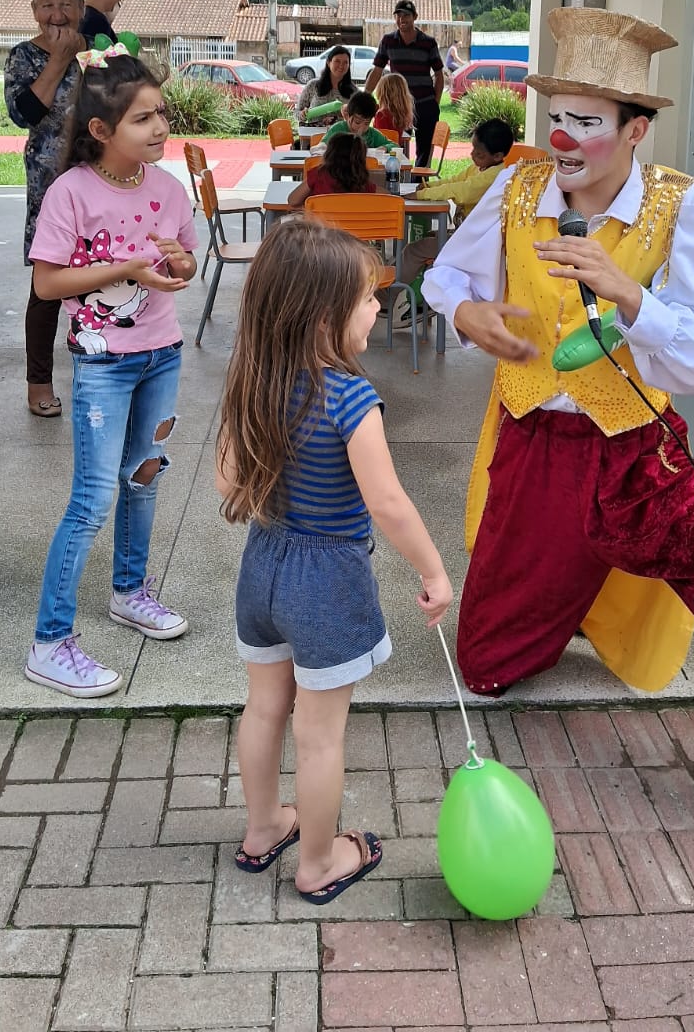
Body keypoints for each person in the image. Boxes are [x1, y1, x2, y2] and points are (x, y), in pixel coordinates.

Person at [422, 7, 694, 742]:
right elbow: (445, 278)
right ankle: (568, 602)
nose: (562, 138)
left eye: (587, 122)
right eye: (557, 116)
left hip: (633, 452)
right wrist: (467, 316)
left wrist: (632, 298)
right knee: (485, 666)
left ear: (634, 130)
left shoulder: (681, 204)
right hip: (535, 448)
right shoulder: (518, 190)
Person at [216, 218, 453, 903]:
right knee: (319, 736)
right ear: (325, 317)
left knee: (264, 710)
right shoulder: (350, 398)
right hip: (327, 581)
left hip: (263, 565)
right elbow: (388, 503)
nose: (378, 307)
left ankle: (263, 829)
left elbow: (228, 486)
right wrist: (435, 572)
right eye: (367, 299)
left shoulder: (252, 382)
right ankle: (319, 863)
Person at [24, 46, 198, 697]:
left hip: (162, 357)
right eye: (143, 119)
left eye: (161, 114)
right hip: (102, 367)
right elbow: (47, 285)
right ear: (101, 131)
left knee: (144, 477)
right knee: (94, 497)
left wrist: (177, 263)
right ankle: (50, 642)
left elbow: (183, 271)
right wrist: (126, 268)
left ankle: (130, 592)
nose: (160, 128)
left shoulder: (169, 188)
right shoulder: (71, 192)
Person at [4, 0, 86, 417]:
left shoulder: (95, 55)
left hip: (97, 180)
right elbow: (25, 113)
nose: (57, 13)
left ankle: (102, 367)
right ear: (35, 11)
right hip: (49, 181)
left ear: (80, 8)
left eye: (66, 4)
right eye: (47, 4)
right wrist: (58, 59)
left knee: (101, 269)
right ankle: (39, 384)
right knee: (48, 281)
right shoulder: (23, 56)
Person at [395, 118, 514, 326]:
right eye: (473, 150)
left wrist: (422, 196)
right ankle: (423, 301)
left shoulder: (494, 177)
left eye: (479, 154)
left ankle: (387, 299)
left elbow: (461, 191)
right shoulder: (482, 168)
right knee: (428, 241)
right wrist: (426, 188)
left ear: (498, 156)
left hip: (474, 249)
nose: (472, 156)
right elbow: (454, 180)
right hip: (466, 239)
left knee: (414, 251)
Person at [365, 1, 444, 170]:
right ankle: (398, 178)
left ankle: (417, 183)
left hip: (425, 103)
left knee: (424, 149)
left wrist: (435, 103)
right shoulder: (387, 41)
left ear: (415, 17)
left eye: (406, 15)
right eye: (398, 15)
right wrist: (365, 95)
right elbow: (377, 70)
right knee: (394, 145)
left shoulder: (428, 42)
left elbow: (439, 74)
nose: (402, 19)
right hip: (397, 105)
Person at [287, 133, 377, 209]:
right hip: (354, 229)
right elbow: (388, 197)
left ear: (329, 153)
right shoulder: (362, 183)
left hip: (321, 228)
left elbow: (293, 201)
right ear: (361, 159)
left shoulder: (318, 174)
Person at [321, 90, 399, 153]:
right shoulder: (337, 129)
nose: (361, 128)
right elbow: (322, 145)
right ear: (348, 116)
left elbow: (395, 146)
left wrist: (385, 148)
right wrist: (322, 147)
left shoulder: (372, 134)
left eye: (366, 123)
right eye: (357, 122)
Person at [296, 46, 356, 124]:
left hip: (340, 135)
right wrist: (302, 114)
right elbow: (297, 112)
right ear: (328, 62)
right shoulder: (313, 85)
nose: (341, 65)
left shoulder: (354, 91)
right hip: (314, 134)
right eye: (337, 61)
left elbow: (357, 120)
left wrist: (336, 120)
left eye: (345, 62)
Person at [373, 72, 415, 155]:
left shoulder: (382, 115)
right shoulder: (401, 113)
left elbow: (380, 141)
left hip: (384, 154)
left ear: (382, 92)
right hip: (396, 152)